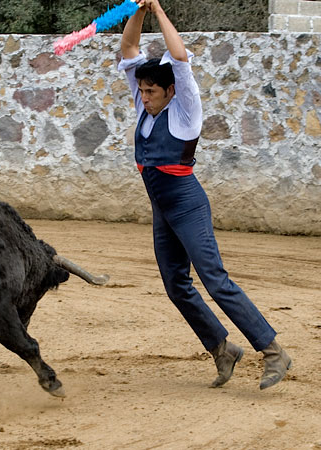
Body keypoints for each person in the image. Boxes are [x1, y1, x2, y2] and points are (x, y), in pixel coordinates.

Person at [118, 0, 291, 389]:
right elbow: (129, 49)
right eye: (141, 90)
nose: (143, 97)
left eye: (150, 91)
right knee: (176, 284)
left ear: (170, 90)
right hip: (163, 208)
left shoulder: (185, 110)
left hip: (187, 203)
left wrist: (159, 9)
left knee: (214, 278)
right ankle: (221, 349)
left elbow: (179, 58)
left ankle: (274, 351)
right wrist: (140, 11)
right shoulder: (145, 107)